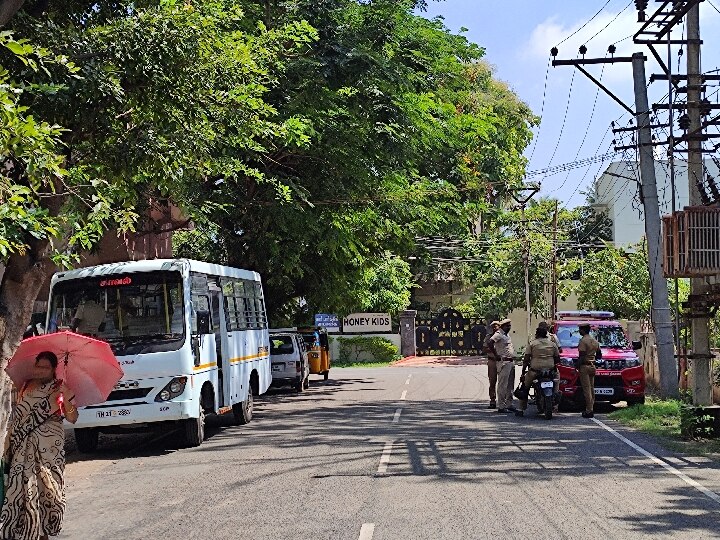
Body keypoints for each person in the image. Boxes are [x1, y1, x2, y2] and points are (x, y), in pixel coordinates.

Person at [1, 351, 78, 540]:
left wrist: (65, 401)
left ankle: (44, 531)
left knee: (49, 492)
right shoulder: (25, 386)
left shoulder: (60, 388)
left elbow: (73, 418)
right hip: (22, 447)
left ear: (53, 370)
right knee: (25, 490)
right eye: (38, 366)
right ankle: (30, 530)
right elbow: (17, 417)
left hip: (49, 451)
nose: (40, 371)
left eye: (45, 367)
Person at [515, 327, 560, 417]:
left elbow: (526, 359)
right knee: (557, 379)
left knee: (525, 387)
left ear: (537, 334)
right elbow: (557, 359)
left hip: (535, 371)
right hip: (550, 371)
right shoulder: (552, 344)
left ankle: (520, 409)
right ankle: (555, 396)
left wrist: (523, 373)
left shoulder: (532, 344)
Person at [489, 319, 516, 413]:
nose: (509, 327)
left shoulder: (506, 335)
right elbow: (490, 342)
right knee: (502, 385)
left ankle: (509, 404)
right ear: (502, 326)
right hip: (504, 362)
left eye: (509, 325)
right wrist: (496, 355)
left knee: (510, 385)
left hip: (510, 362)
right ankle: (501, 405)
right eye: (507, 326)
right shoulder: (499, 334)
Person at [577, 323, 600, 418]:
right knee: (591, 388)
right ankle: (591, 408)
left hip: (585, 367)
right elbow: (599, 354)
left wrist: (576, 366)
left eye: (580, 329)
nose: (579, 331)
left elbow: (581, 356)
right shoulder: (594, 340)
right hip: (592, 366)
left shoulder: (583, 341)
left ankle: (589, 410)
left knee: (586, 389)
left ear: (583, 330)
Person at [483, 320, 501, 409]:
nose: (495, 328)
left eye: (496, 326)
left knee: (502, 382)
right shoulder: (488, 337)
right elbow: (485, 348)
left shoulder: (502, 336)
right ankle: (492, 400)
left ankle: (503, 401)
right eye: (493, 326)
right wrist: (494, 350)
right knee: (492, 381)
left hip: (501, 361)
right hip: (492, 360)